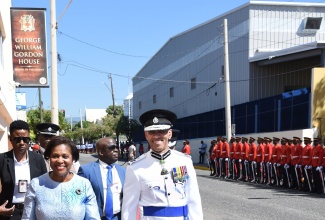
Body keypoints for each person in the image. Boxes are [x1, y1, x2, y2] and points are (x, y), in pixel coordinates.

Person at [122, 109, 203, 219]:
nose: (156, 136)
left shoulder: (184, 161)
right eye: (152, 132)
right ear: (146, 135)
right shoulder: (135, 168)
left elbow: (193, 199)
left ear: (169, 134)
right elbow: (129, 208)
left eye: (161, 131)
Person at [22, 136, 100, 220]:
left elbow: (93, 218)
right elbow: (27, 218)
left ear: (73, 158)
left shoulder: (83, 184)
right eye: (55, 156)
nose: (60, 161)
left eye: (65, 156)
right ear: (49, 158)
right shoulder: (36, 184)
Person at [0, 120, 47, 219]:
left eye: (25, 139)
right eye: (17, 139)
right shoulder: (2, 159)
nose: (22, 143)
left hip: (34, 210)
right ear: (10, 139)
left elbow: (45, 185)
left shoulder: (38, 159)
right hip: (9, 212)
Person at [78, 137, 126, 219]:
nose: (116, 150)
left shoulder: (123, 171)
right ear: (101, 152)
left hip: (118, 217)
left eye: (116, 147)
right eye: (112, 148)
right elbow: (80, 199)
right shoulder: (86, 170)